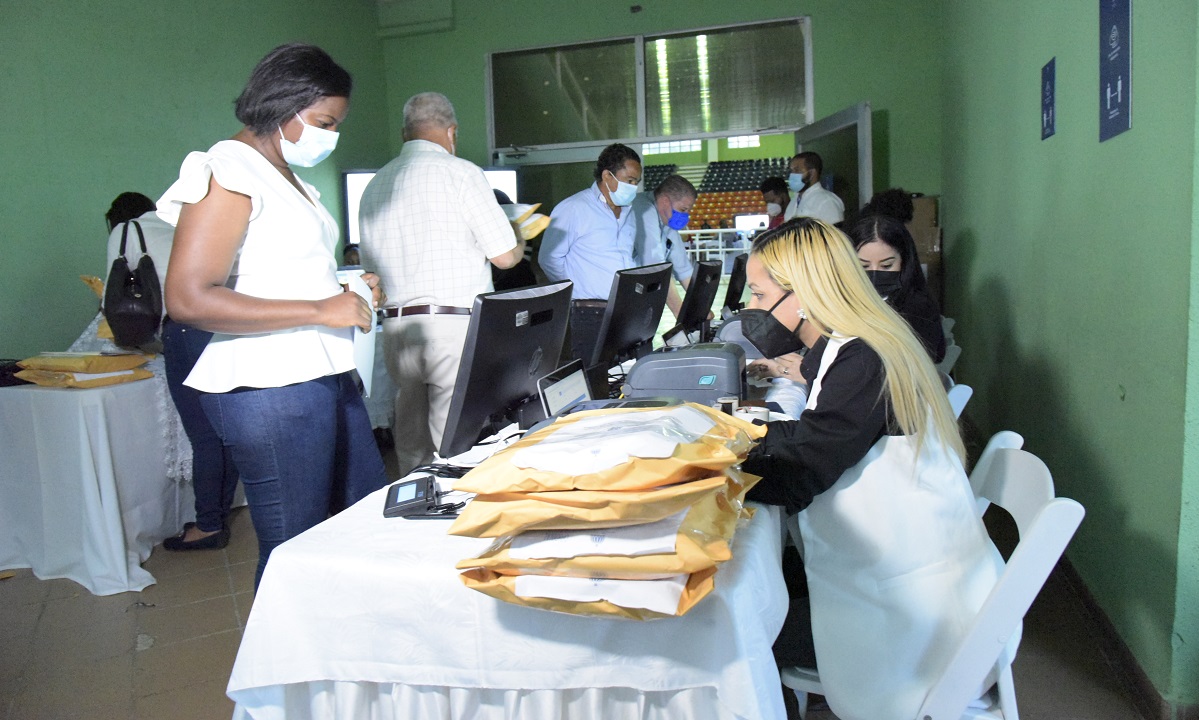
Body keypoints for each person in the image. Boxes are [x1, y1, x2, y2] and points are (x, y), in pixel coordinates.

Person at [737, 217, 1003, 720]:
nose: (751, 308)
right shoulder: (856, 343)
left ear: (803, 293)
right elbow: (815, 439)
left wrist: (707, 466)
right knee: (765, 580)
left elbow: (806, 469)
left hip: (917, 624)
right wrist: (735, 444)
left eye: (757, 293)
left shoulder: (866, 359)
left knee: (742, 621)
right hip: (914, 587)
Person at [160, 43, 388, 585]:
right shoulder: (226, 170)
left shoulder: (285, 176)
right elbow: (189, 298)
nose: (330, 136)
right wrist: (320, 306)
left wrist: (344, 285)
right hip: (271, 390)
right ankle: (278, 670)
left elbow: (270, 272)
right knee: (296, 548)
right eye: (324, 122)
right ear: (284, 106)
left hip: (323, 373)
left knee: (363, 518)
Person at [359, 92, 523, 475]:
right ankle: (456, 520)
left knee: (412, 441)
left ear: (405, 133)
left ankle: (414, 509)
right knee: (456, 440)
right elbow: (504, 256)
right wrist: (518, 239)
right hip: (454, 324)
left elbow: (370, 273)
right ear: (452, 131)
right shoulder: (461, 173)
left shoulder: (375, 186)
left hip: (397, 328)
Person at [106, 193, 243, 551]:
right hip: (221, 327)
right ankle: (218, 514)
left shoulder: (126, 230)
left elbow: (114, 294)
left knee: (203, 435)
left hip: (182, 330)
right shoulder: (180, 223)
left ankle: (209, 525)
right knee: (223, 429)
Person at [538, 143, 641, 362]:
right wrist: (575, 289)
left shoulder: (629, 213)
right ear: (608, 176)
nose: (634, 187)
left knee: (623, 381)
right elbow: (549, 258)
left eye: (637, 182)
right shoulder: (573, 208)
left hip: (624, 312)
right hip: (590, 314)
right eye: (630, 181)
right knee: (595, 382)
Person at [849, 214, 946, 362]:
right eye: (864, 266)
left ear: (905, 261)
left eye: (886, 265)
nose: (875, 273)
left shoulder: (919, 307)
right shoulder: (845, 300)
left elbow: (930, 359)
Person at [630, 174, 697, 319]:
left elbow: (684, 269)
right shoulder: (644, 209)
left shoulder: (666, 218)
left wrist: (701, 306)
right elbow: (655, 266)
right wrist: (681, 314)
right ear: (665, 201)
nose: (686, 215)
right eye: (683, 209)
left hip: (640, 291)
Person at [783, 152, 845, 225]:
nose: (792, 175)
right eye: (792, 171)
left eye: (797, 170)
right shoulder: (795, 200)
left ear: (812, 173)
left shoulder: (827, 201)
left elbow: (835, 234)